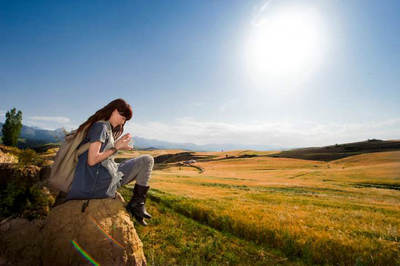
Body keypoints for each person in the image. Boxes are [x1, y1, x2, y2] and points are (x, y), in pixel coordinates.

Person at [64, 98, 154, 226]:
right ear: (116, 111)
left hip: (98, 179)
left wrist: (119, 145)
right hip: (97, 184)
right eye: (123, 118)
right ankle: (137, 204)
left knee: (146, 160)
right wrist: (116, 147)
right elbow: (92, 160)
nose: (123, 122)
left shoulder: (104, 127)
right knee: (147, 160)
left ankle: (138, 204)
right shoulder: (101, 127)